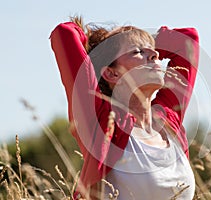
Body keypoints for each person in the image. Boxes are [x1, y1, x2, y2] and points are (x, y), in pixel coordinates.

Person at [50, 16, 199, 200]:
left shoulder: (168, 119)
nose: (155, 54)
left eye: (153, 51)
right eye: (138, 51)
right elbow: (65, 34)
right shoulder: (102, 121)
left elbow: (188, 41)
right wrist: (105, 47)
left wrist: (143, 41)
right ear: (111, 73)